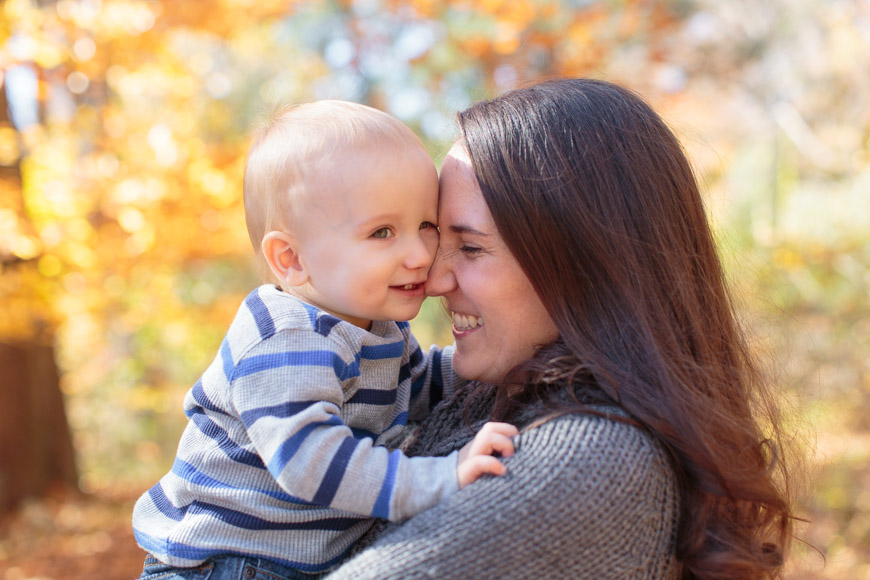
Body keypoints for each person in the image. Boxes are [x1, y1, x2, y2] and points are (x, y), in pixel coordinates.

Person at [325, 78, 795, 579]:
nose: (434, 279)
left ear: (585, 263)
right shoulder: (480, 396)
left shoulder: (592, 459)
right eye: (436, 238)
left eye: (470, 247)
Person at [132, 101, 518, 579]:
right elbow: (310, 459)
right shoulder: (285, 339)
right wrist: (437, 478)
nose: (420, 254)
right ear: (292, 259)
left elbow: (427, 387)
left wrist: (514, 355)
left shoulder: (376, 328)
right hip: (225, 564)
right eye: (382, 232)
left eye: (426, 225)